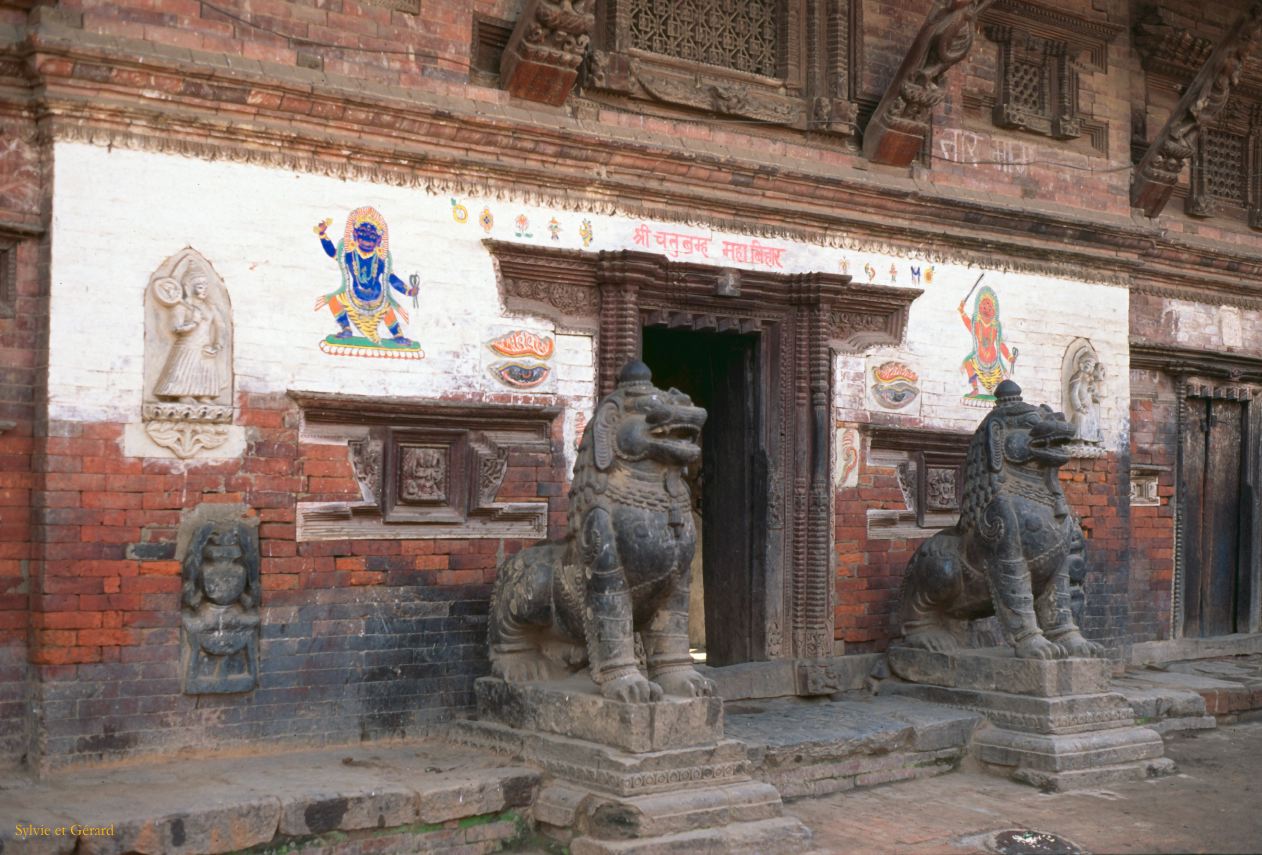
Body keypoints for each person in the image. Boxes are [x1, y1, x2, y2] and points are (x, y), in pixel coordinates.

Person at [313, 206, 419, 345]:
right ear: (356, 236)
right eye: (363, 236)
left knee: (387, 309)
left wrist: (408, 291)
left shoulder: (380, 259)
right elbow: (333, 252)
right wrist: (322, 235)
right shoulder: (350, 255)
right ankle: (346, 329)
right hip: (355, 297)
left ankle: (398, 335)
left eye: (371, 238)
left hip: (377, 298)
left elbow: (391, 278)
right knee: (334, 301)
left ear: (378, 241)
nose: (367, 241)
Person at [154, 270, 226, 403]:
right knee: (185, 371)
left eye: (205, 287)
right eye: (200, 287)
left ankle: (203, 395)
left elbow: (220, 326)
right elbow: (175, 328)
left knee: (205, 372)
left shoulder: (210, 307)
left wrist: (217, 345)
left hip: (205, 346)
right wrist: (194, 322)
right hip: (187, 346)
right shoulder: (181, 307)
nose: (204, 290)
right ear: (190, 288)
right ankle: (183, 394)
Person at [959, 285, 1016, 397]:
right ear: (979, 308)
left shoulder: (995, 326)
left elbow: (1000, 343)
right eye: (984, 307)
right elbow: (967, 323)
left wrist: (1009, 357)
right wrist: (962, 311)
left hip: (993, 362)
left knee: (1000, 379)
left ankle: (1001, 395)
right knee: (968, 363)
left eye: (989, 308)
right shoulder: (976, 325)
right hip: (978, 360)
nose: (986, 309)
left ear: (994, 310)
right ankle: (975, 389)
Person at [1068, 351, 1103, 442]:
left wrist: (1094, 390)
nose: (1090, 368)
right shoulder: (1077, 377)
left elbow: (1095, 396)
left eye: (1092, 366)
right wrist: (1079, 407)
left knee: (1092, 422)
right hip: (1081, 407)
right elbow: (1073, 394)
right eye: (1088, 365)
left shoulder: (1090, 379)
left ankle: (1090, 441)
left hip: (1089, 406)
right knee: (1081, 421)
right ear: (1081, 365)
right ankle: (1080, 441)